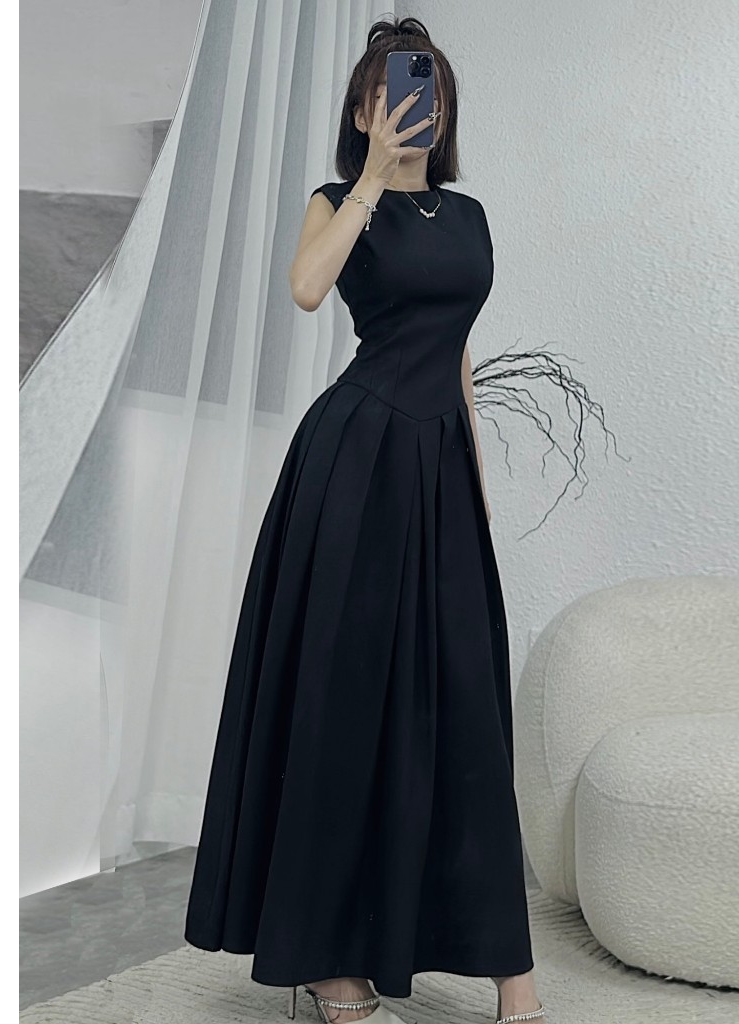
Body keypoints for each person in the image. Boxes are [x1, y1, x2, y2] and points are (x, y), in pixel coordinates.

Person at [184, 17, 546, 1024]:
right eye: (390, 94)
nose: (413, 110)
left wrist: (475, 493)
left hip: (439, 470)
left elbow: (456, 352)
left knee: (467, 711)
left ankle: (514, 977)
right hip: (354, 463)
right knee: (342, 705)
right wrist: (372, 182)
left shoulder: (469, 217)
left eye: (428, 94)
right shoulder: (337, 202)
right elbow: (308, 289)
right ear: (361, 110)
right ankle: (326, 957)